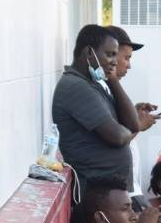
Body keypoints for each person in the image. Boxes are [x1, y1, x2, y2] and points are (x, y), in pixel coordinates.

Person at [52, 25, 155, 185]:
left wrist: (112, 80)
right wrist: (135, 126)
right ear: (88, 53)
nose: (114, 62)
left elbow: (131, 125)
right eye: (110, 55)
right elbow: (119, 136)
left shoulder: (95, 84)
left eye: (116, 56)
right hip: (98, 193)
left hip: (112, 193)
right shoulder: (76, 86)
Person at [106, 25, 161, 199]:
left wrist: (133, 113)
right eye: (127, 58)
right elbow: (112, 143)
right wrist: (138, 125)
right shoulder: (97, 90)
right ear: (111, 54)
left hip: (129, 189)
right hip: (122, 193)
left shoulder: (108, 89)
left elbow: (118, 128)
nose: (129, 66)